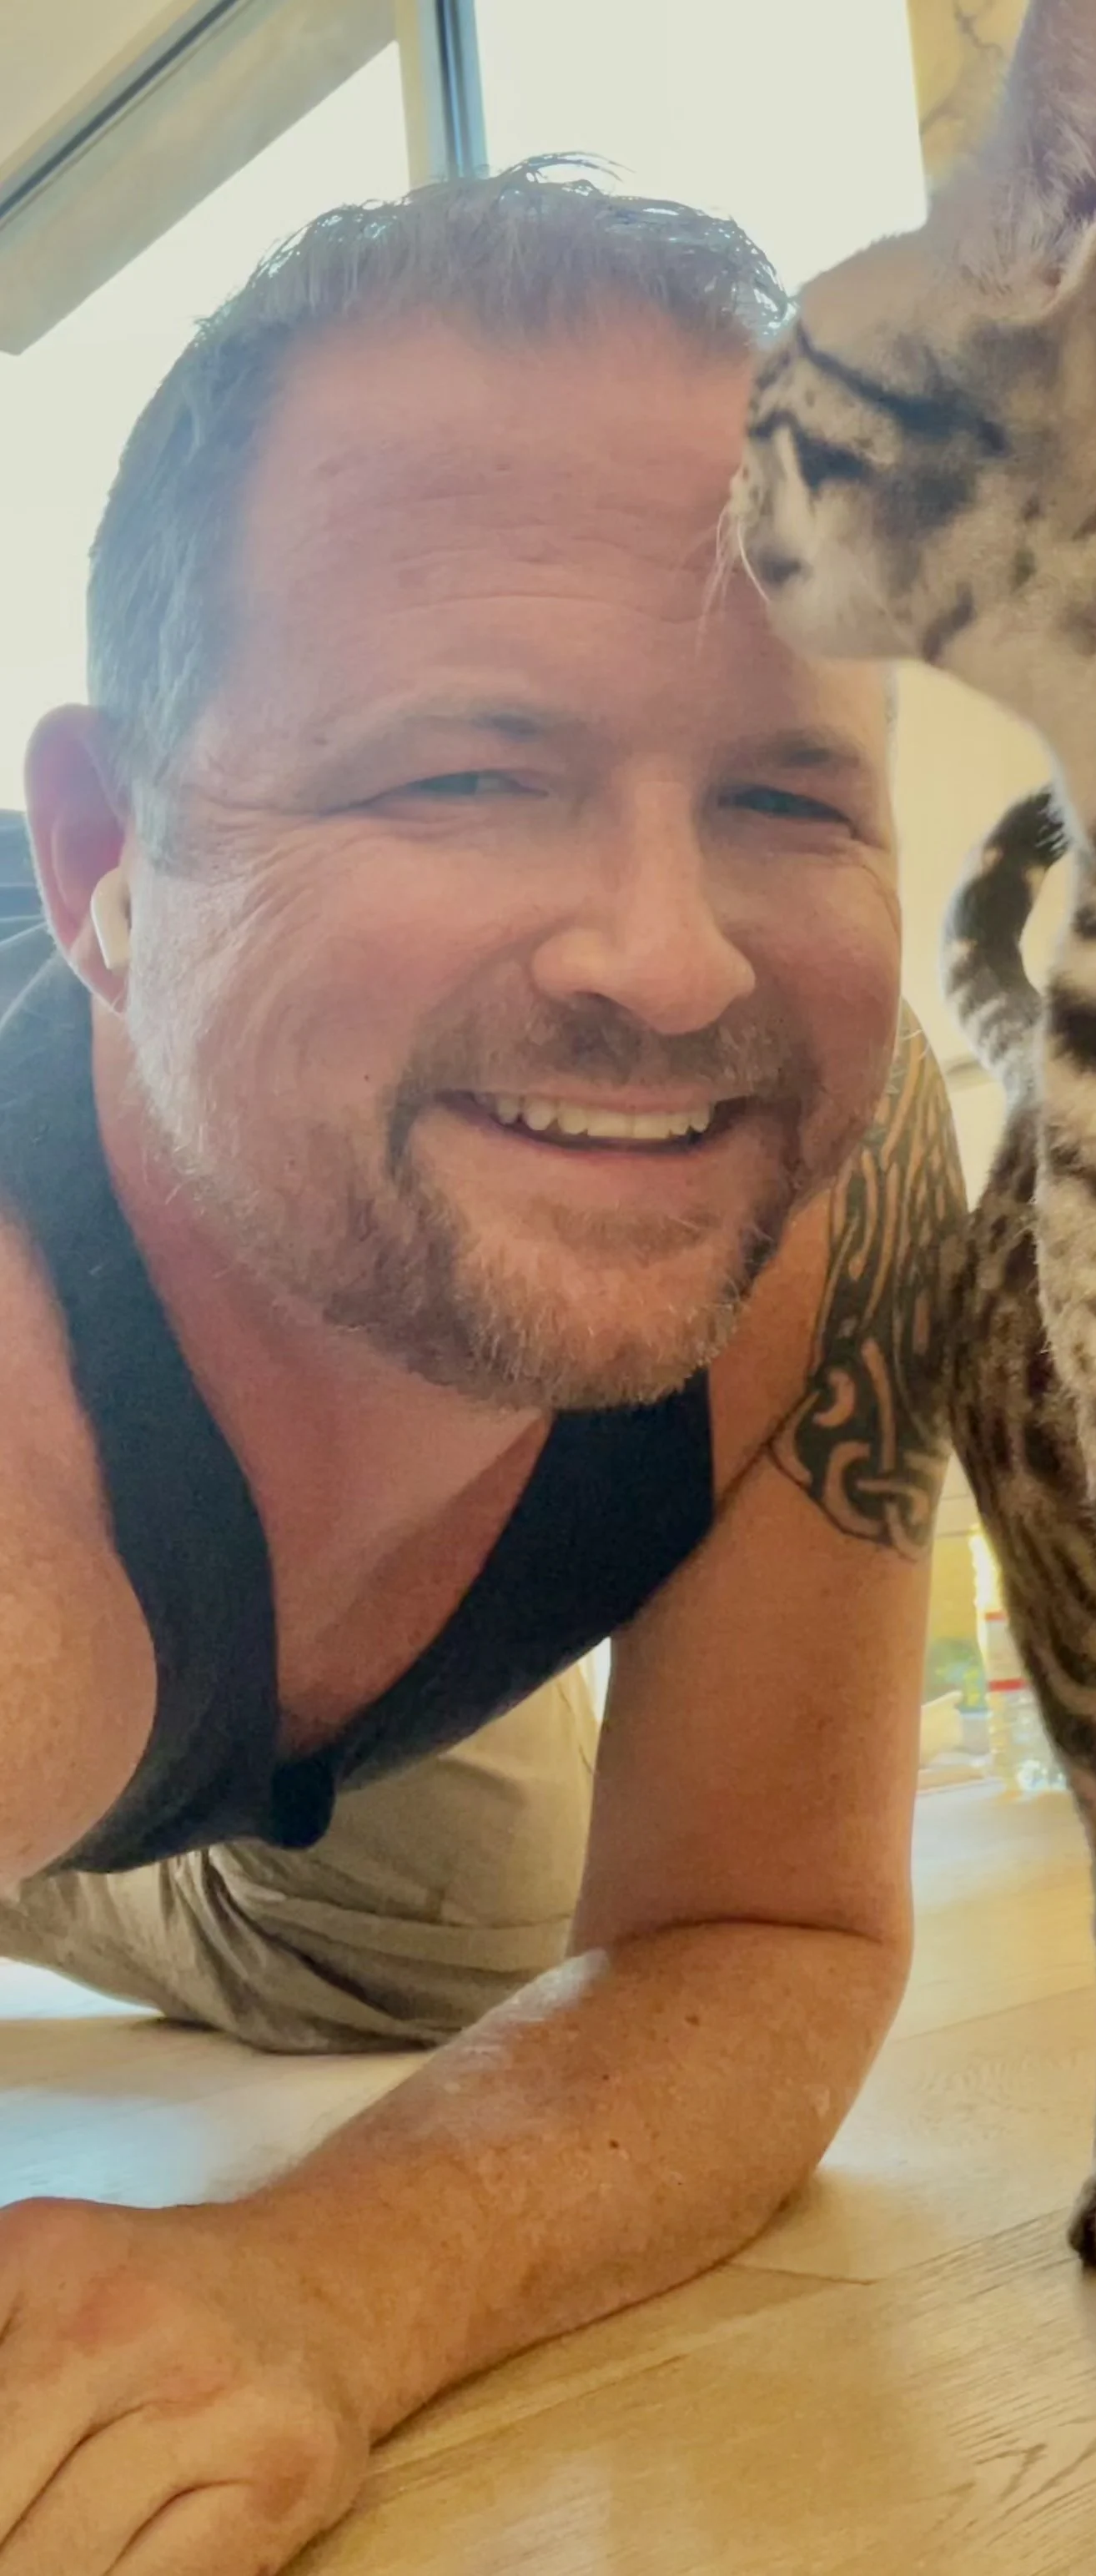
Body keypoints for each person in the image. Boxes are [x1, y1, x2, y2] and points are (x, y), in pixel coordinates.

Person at [0, 167, 963, 2576]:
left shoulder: (848, 1152)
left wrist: (322, 2285)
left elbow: (767, 1931)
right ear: (113, 859)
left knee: (435, 1941)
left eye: (780, 796)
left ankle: (85, 1877)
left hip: (351, 1661)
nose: (670, 962)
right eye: (461, 772)